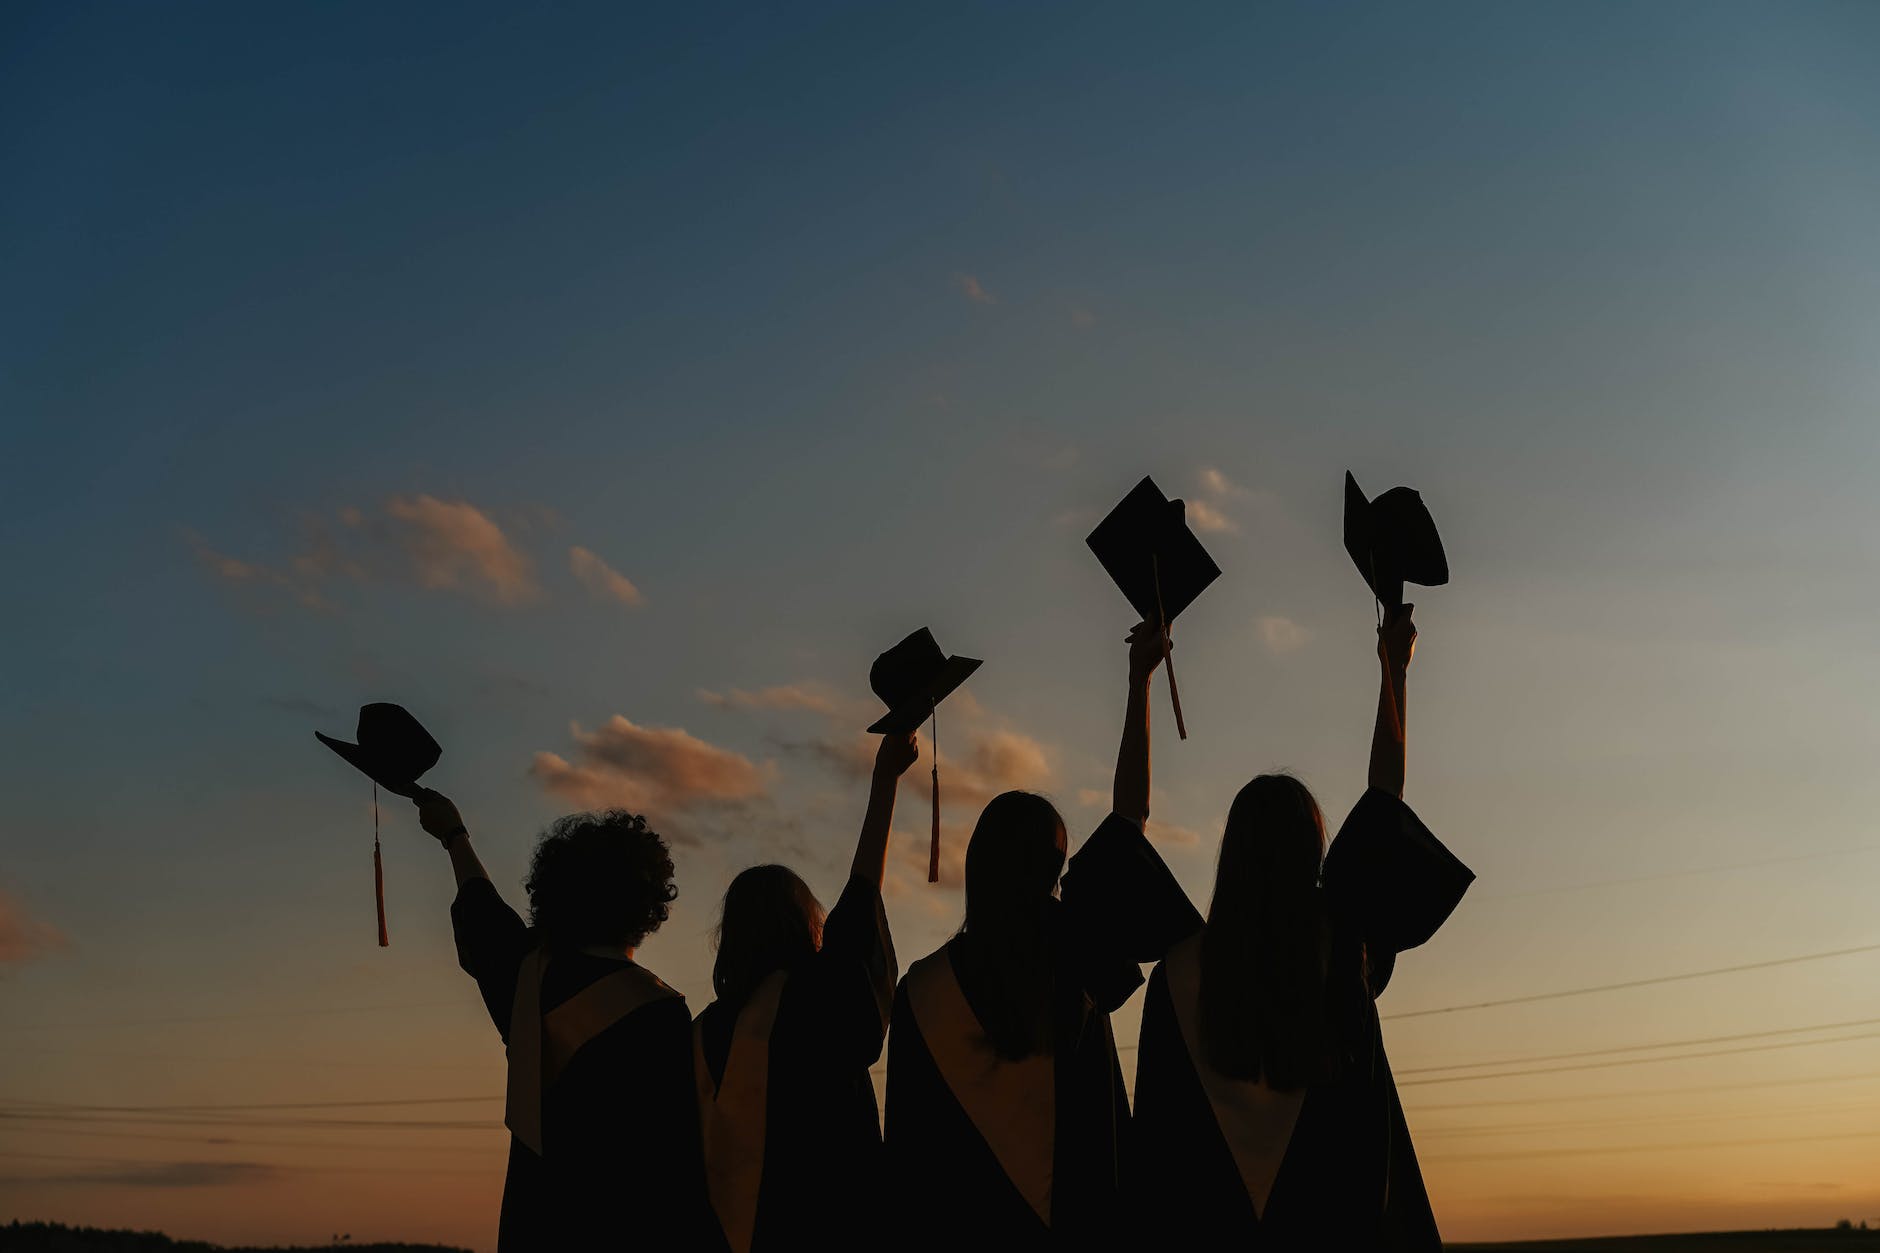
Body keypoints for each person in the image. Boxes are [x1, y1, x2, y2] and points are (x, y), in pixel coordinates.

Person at [1130, 604, 1475, 1249]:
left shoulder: (1175, 976)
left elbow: (1156, 1149)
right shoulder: (1341, 949)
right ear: (1313, 856)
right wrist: (1393, 672)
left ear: (1230, 857)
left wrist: (1138, 682)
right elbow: (1383, 808)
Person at [883, 621, 1201, 1251]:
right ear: (1055, 868)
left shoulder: (921, 991)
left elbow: (907, 1160)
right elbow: (1127, 824)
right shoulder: (1074, 948)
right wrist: (1138, 684)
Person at [412, 791, 713, 1252]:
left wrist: (455, 835)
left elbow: (483, 913)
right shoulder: (661, 1015)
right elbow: (678, 1165)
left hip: (534, 1225)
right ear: (648, 902)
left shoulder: (527, 975)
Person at [691, 728, 919, 1253]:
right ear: (805, 926)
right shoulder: (816, 999)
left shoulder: (701, 1033)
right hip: (828, 1224)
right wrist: (884, 783)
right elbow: (860, 903)